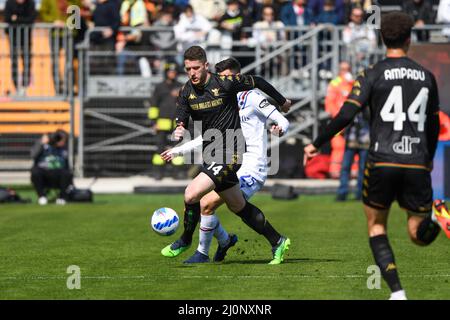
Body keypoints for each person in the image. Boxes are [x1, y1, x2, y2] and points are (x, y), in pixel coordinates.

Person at [304, 12, 450, 300]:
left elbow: (346, 113)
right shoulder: (427, 77)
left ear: (382, 38)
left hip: (382, 159)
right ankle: (437, 213)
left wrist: (317, 142)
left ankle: (397, 293)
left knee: (377, 226)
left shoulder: (372, 72)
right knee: (417, 235)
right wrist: (428, 158)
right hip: (416, 161)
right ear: (409, 39)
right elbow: (434, 126)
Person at [161, 46, 292, 264]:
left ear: (205, 66)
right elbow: (182, 111)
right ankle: (277, 240)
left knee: (192, 194)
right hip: (212, 154)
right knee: (237, 206)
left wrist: (281, 101)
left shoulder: (224, 83)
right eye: (188, 69)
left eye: (195, 68)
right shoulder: (187, 91)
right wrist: (180, 127)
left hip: (231, 152)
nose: (192, 73)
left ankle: (186, 240)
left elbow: (257, 80)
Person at [148, 63, 184, 179]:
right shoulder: (160, 87)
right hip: (161, 123)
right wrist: (153, 122)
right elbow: (153, 106)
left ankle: (177, 172)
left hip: (177, 123)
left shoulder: (181, 86)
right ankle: (158, 172)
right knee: (160, 148)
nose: (172, 74)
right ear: (166, 73)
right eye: (170, 72)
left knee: (178, 148)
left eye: (174, 72)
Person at [324, 61, 354, 178]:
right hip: (339, 120)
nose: (345, 72)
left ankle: (353, 171)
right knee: (338, 146)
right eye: (343, 69)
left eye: (347, 69)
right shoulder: (335, 83)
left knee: (354, 145)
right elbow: (330, 103)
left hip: (352, 121)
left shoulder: (353, 83)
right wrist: (339, 119)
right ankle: (335, 171)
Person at [31, 130, 73, 205]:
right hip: (44, 173)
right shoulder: (42, 145)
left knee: (66, 173)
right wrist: (41, 144)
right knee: (35, 172)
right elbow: (33, 156)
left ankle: (62, 197)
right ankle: (42, 197)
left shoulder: (63, 149)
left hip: (58, 174)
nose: (60, 141)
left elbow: (67, 165)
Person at [4, 0, 37, 96]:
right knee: (14, 62)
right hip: (13, 38)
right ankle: (17, 87)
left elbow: (31, 19)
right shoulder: (9, 3)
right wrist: (23, 20)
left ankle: (24, 86)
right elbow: (7, 18)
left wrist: (16, 19)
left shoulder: (30, 3)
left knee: (27, 62)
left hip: (26, 38)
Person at [336, 110, 370, 201]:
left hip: (365, 141)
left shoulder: (367, 105)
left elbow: (370, 117)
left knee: (363, 169)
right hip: (351, 141)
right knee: (345, 168)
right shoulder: (351, 106)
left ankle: (360, 193)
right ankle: (342, 193)